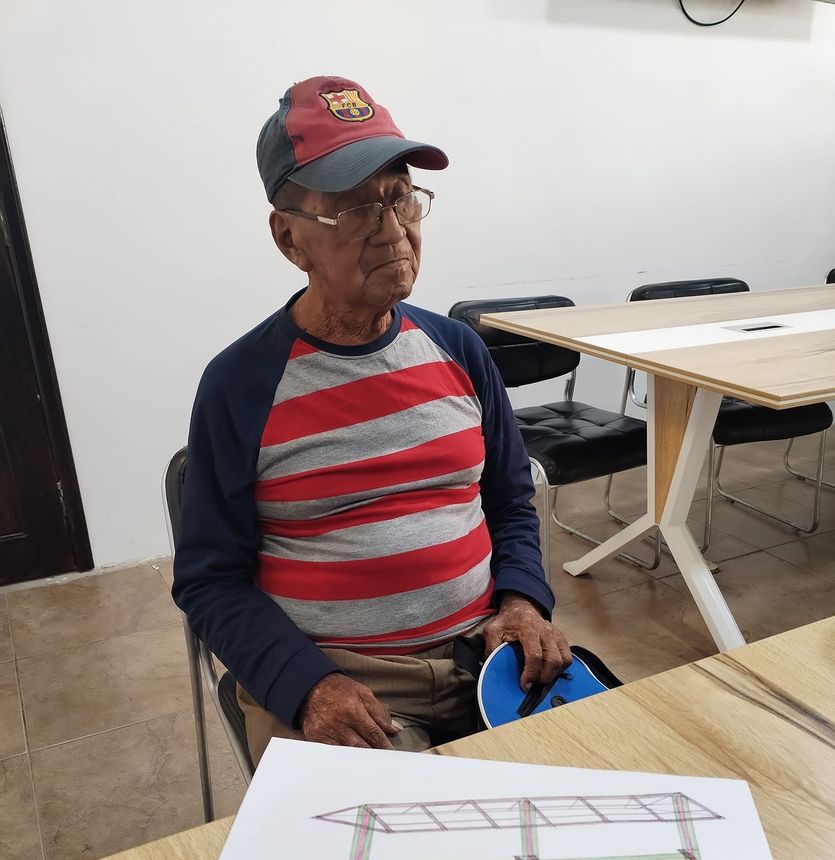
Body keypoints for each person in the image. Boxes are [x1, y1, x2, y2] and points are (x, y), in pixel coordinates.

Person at [173, 76, 572, 766]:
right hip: (346, 684)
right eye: (355, 209)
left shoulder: (457, 349)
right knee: (389, 835)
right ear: (289, 238)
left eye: (400, 197)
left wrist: (521, 603)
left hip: (486, 654)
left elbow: (509, 500)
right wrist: (307, 686)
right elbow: (209, 580)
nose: (392, 231)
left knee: (592, 800)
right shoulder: (241, 386)